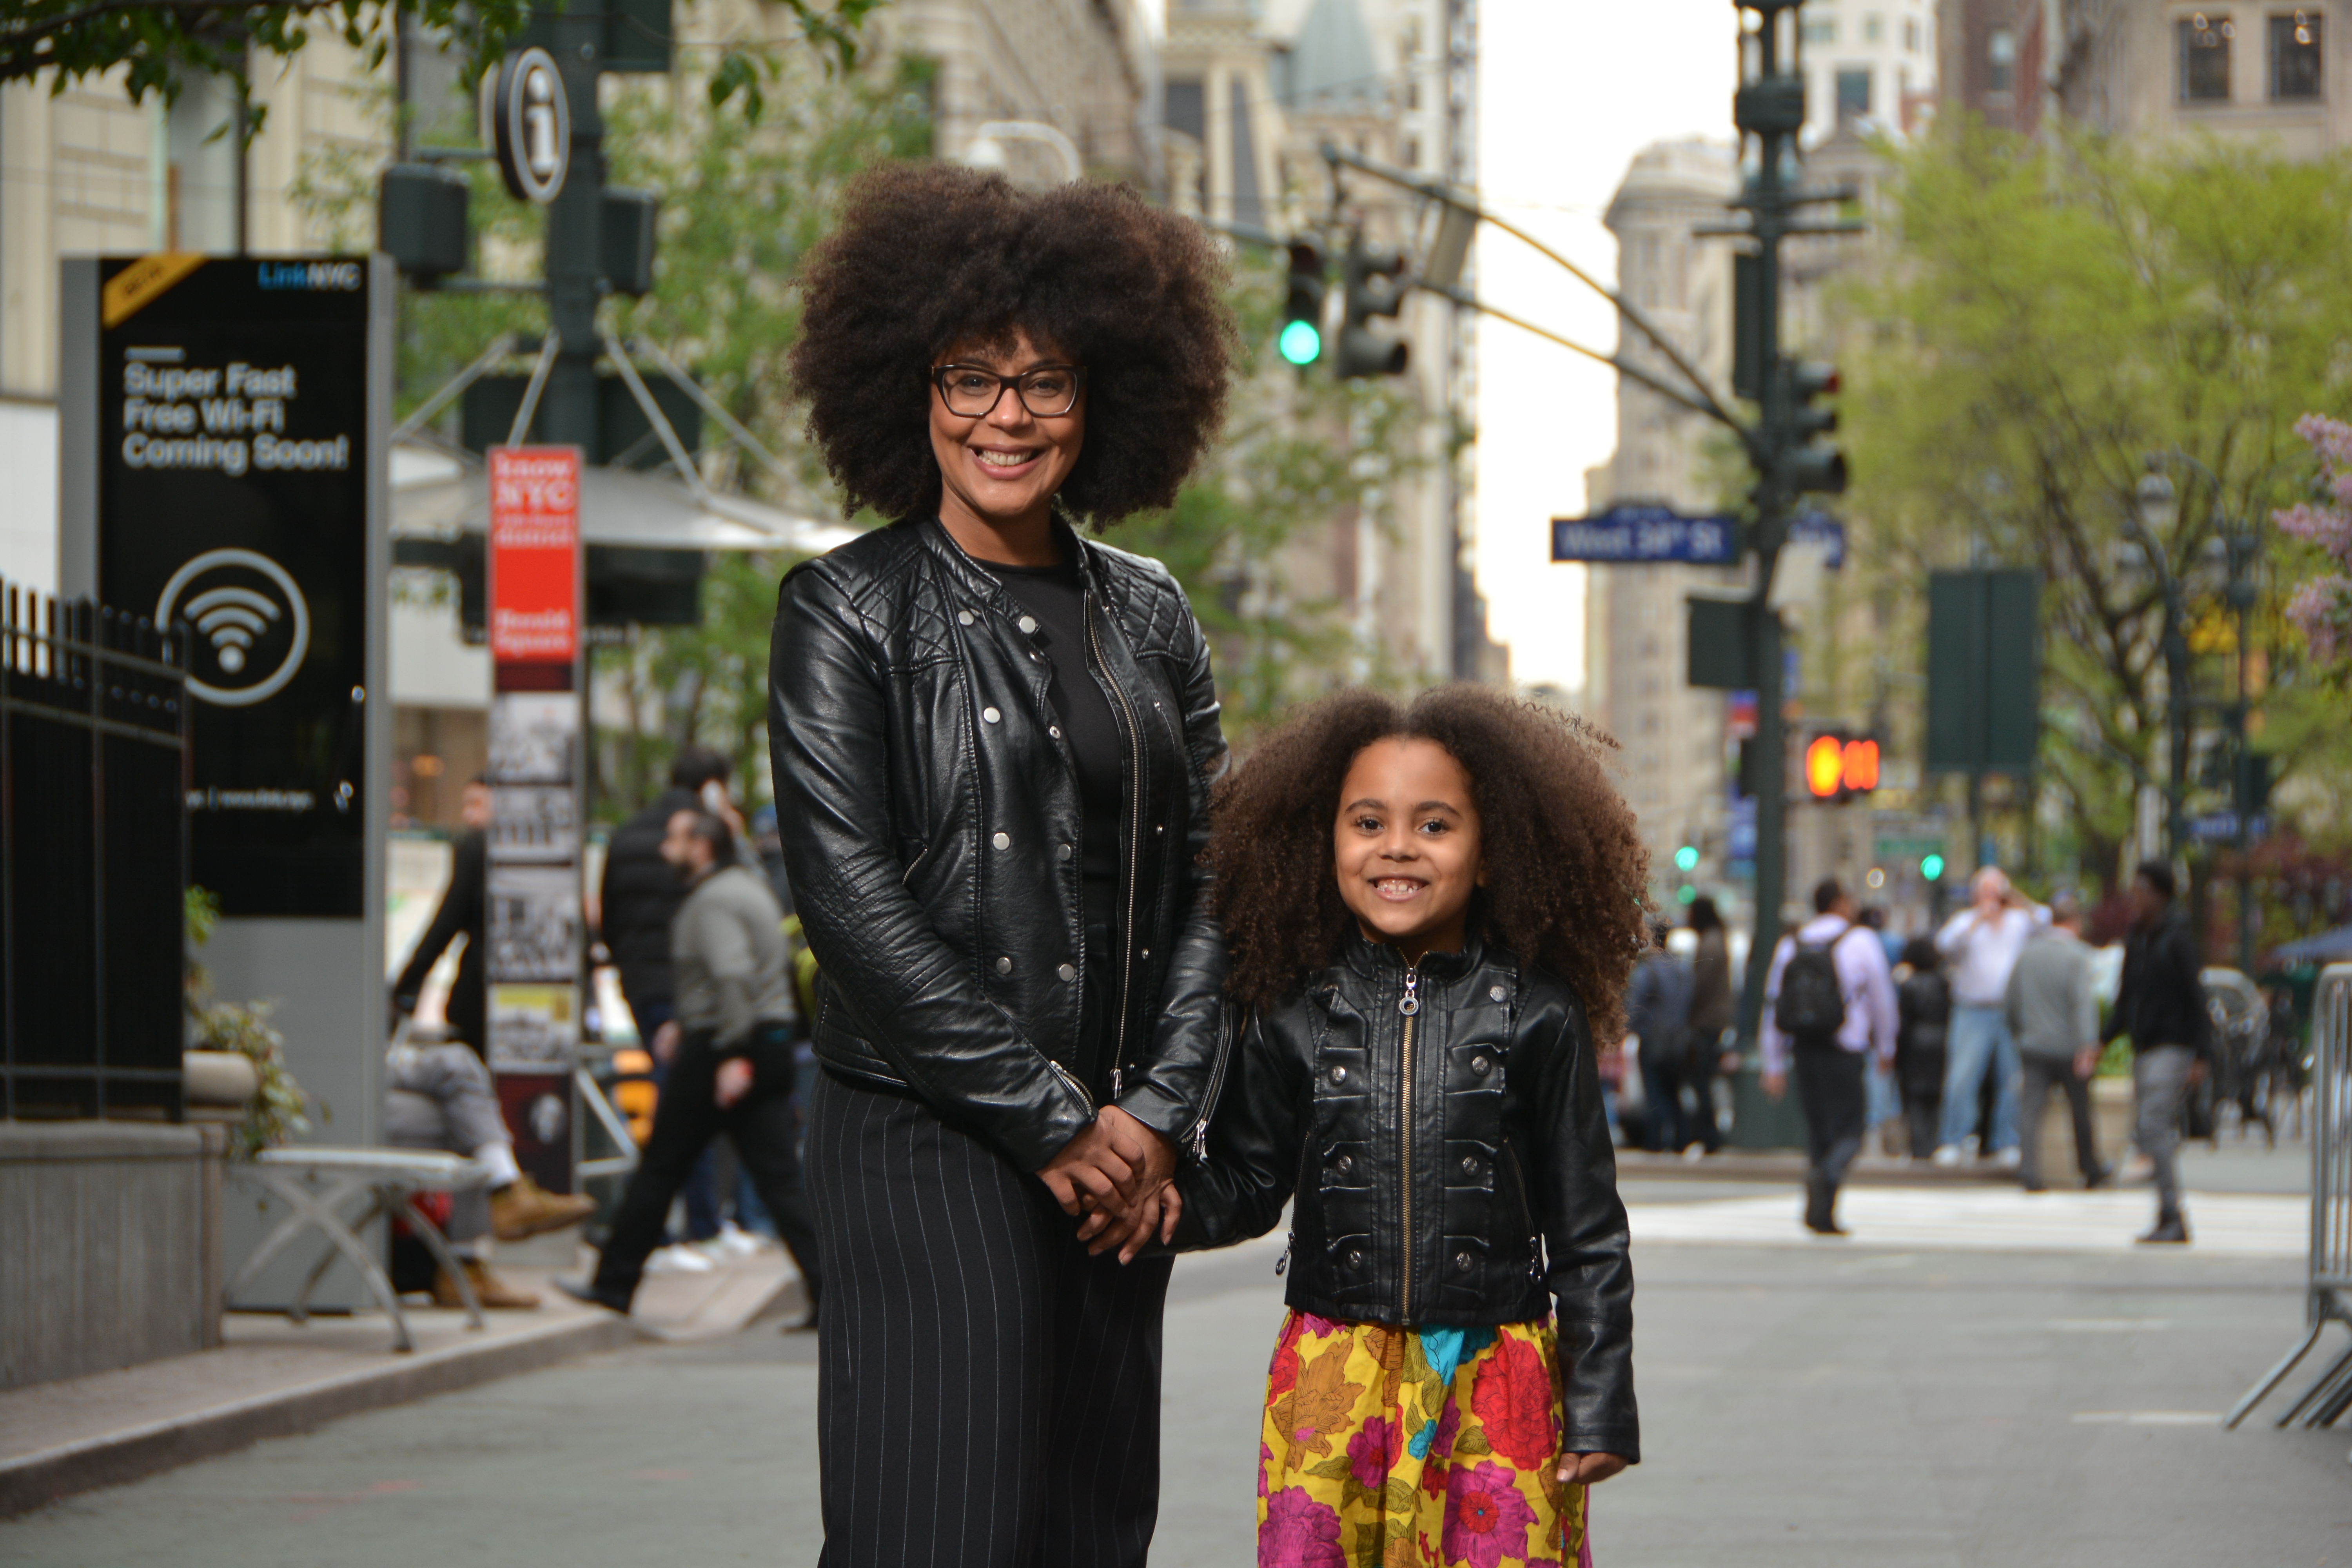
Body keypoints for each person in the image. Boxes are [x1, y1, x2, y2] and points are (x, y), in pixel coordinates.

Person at [769, 163, 1234, 1566]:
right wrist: (1050, 1122)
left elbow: (1216, 878)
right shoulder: (843, 608)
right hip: (930, 1136)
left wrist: (1154, 1113)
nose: (1006, 415)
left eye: (1043, 380)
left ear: (1102, 400)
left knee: (1086, 1527)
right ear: (912, 390)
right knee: (939, 1524)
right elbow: (848, 901)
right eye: (969, 377)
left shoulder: (1152, 613)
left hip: (1121, 1148)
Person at [1171, 687, 1640, 1566]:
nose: (1397, 846)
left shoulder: (1540, 1013)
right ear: (1324, 845)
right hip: (1331, 1380)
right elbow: (1247, 1182)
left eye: (1434, 824)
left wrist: (1602, 1400)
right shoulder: (1289, 1009)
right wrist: (1153, 1206)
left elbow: (1589, 1230)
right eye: (1367, 822)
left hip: (1498, 1381)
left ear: (1491, 854)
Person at [560, 809, 825, 1314]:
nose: (665, 850)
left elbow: (731, 975)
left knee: (661, 1168)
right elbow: (733, 976)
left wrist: (731, 1054)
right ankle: (829, 1292)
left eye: (675, 839)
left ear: (701, 846)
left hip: (723, 1051)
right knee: (780, 1180)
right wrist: (688, 1024)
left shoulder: (713, 900)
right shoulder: (745, 888)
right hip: (758, 1043)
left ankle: (614, 1282)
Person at [384, 1034, 597, 1308]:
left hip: (372, 1087)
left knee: (464, 1102)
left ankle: (480, 1241)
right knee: (460, 1083)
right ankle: (502, 1200)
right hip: (352, 1097)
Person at [1762, 878, 1898, 1235]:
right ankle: (1827, 1177)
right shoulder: (1861, 940)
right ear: (1840, 903)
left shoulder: (1791, 944)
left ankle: (1820, 1212)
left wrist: (1773, 1062)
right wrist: (1887, 1046)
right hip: (1846, 1047)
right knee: (1851, 1128)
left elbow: (1775, 1004)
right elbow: (1882, 997)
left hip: (1804, 1047)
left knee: (1819, 1131)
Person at [2105, 861, 2212, 1244]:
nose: (2136, 897)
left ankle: (2172, 1214)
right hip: (2144, 1046)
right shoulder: (2136, 939)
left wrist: (2202, 1054)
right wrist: (2102, 1040)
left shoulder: (2177, 940)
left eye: (2143, 890)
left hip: (2173, 1045)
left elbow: (2197, 998)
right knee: (2150, 1128)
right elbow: (2126, 998)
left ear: (2162, 895)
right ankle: (2166, 1213)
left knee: (2153, 1125)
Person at [1931, 866, 2049, 1167]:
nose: (1991, 897)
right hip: (1973, 1009)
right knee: (1962, 1077)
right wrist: (1978, 922)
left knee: (2012, 1078)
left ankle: (2008, 1141)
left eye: (1996, 891)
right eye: (1985, 891)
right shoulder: (1965, 921)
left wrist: (2016, 899)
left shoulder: (2018, 920)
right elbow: (1944, 945)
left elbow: (2046, 919)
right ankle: (1953, 1140)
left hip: (2011, 1011)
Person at [2005, 892, 2111, 1193]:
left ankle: (2029, 1171)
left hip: (2034, 1043)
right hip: (2068, 1047)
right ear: (2075, 922)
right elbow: (2082, 1004)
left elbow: (2011, 997)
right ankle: (2089, 1167)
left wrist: (2019, 1032)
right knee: (2080, 1108)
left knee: (2031, 1110)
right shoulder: (2078, 956)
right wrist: (2088, 1045)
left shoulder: (2028, 953)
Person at [391, 779, 490, 1056]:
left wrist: (406, 985)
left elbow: (446, 924)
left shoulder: (477, 847)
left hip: (478, 1000)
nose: (468, 815)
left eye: (477, 804)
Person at [1627, 920, 1695, 1154]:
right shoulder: (1683, 969)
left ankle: (1655, 1140)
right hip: (1679, 1040)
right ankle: (1681, 1139)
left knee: (1654, 1090)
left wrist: (1630, 1029)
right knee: (1674, 1090)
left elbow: (1634, 1006)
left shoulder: (1648, 971)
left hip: (1653, 1038)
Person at [1684, 896, 1737, 1154]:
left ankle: (1709, 1136)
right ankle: (1708, 1135)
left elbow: (1699, 987)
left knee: (1702, 1080)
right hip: (1713, 1020)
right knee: (1705, 1080)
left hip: (1706, 1022)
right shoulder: (1718, 940)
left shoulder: (1710, 944)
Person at [1893, 938, 1950, 1163]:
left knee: (1915, 1097)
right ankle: (1934, 1143)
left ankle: (1919, 1147)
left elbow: (1903, 1022)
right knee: (1937, 1096)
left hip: (1915, 1044)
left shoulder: (1909, 985)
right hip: (1941, 1041)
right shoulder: (1944, 983)